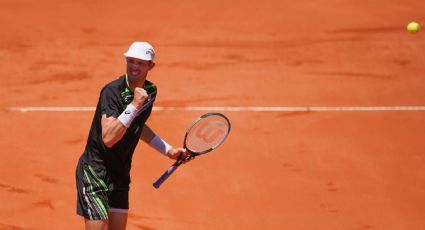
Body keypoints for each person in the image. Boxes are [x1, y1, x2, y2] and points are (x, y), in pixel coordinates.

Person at [75, 41, 191, 230]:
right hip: (95, 172)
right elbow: (109, 138)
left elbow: (137, 125)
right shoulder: (112, 91)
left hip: (120, 173)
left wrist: (168, 150)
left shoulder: (150, 92)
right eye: (131, 61)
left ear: (150, 66)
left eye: (140, 63)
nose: (134, 67)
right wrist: (134, 105)